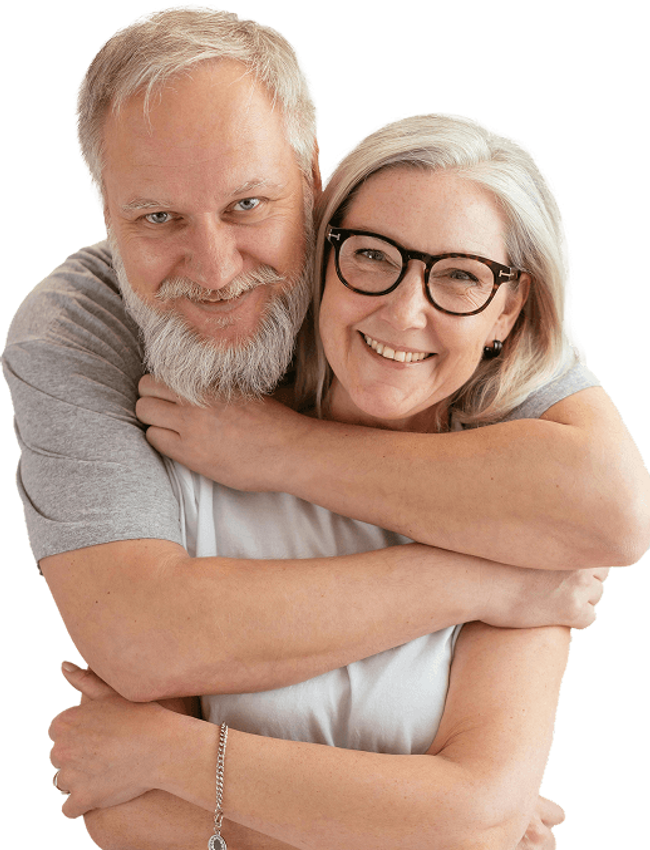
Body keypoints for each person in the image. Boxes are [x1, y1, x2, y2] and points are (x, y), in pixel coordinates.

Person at [47, 110, 626, 850]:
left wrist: (169, 755)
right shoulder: (190, 462)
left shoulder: (521, 518)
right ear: (319, 258)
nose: (405, 310)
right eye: (374, 258)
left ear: (505, 312)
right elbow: (135, 823)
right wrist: (408, 818)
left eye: (459, 276)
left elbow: (471, 821)